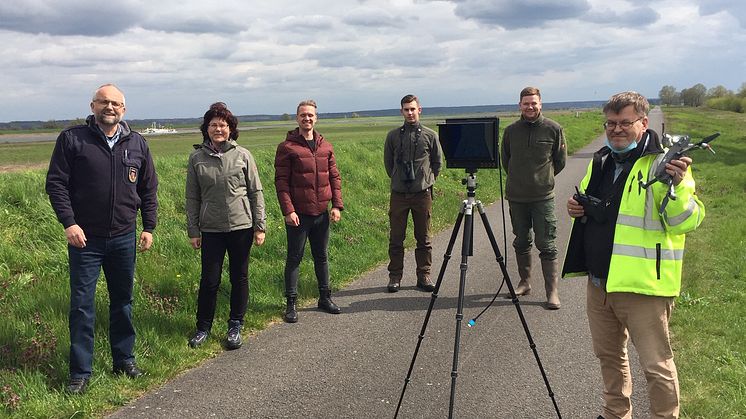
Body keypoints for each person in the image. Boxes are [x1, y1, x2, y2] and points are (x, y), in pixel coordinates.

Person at [563, 91, 705, 419]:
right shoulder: (600, 159)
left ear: (643, 123)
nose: (616, 129)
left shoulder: (665, 164)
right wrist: (576, 208)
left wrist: (678, 186)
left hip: (643, 287)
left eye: (624, 123)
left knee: (656, 365)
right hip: (600, 282)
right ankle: (616, 413)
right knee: (609, 357)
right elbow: (592, 205)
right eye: (610, 123)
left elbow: (686, 221)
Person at [45, 84, 158, 394]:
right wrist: (69, 223)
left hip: (124, 237)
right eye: (104, 102)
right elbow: (56, 185)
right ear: (93, 105)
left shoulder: (137, 143)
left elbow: (148, 189)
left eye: (116, 103)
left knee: (123, 302)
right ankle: (80, 372)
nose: (110, 107)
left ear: (124, 110)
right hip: (85, 240)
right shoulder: (73, 139)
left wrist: (148, 227)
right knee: (82, 306)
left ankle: (124, 359)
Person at [185, 102, 266, 350]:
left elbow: (255, 191)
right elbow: (192, 197)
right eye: (213, 125)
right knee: (209, 280)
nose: (218, 129)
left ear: (231, 129)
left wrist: (259, 225)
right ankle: (203, 327)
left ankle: (235, 324)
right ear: (206, 129)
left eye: (222, 125)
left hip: (241, 226)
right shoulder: (197, 158)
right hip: (211, 229)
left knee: (239, 277)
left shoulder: (243, 155)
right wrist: (193, 230)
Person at [274, 99, 344, 323]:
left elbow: (334, 177)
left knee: (321, 256)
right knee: (294, 258)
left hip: (321, 213)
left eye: (311, 115)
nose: (307, 118)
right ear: (297, 118)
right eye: (303, 115)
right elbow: (281, 182)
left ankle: (325, 297)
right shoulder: (287, 147)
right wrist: (288, 210)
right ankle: (291, 304)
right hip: (298, 215)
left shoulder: (326, 146)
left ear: (316, 118)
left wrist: (337, 205)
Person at [501, 87, 566, 309]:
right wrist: (521, 179)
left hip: (542, 197)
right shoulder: (510, 131)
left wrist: (542, 179)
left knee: (546, 243)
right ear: (519, 105)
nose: (530, 107)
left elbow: (560, 161)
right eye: (526, 103)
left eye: (534, 103)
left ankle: (552, 292)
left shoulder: (553, 129)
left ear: (541, 104)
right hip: (517, 197)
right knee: (521, 240)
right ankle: (524, 283)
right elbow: (506, 160)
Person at [383, 94, 443, 293]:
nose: (410, 113)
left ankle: (424, 275)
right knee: (396, 238)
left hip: (422, 194)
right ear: (401, 111)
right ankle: (395, 277)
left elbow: (437, 163)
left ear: (420, 110)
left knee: (423, 238)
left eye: (413, 109)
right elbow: (388, 163)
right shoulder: (393, 136)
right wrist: (397, 177)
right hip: (399, 194)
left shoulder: (430, 135)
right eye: (406, 109)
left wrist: (426, 179)